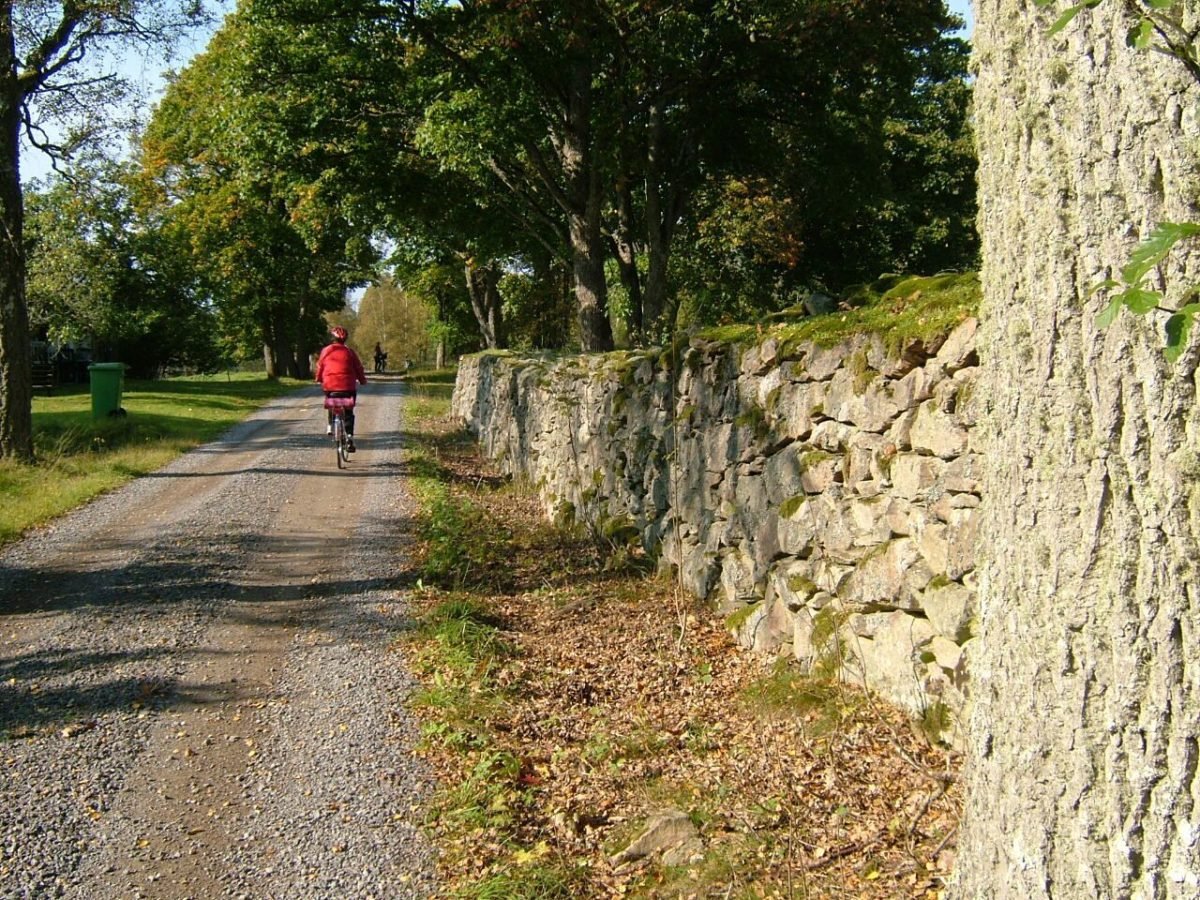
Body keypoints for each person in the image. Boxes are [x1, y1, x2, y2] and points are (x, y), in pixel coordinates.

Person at [315, 326, 367, 451]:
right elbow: (358, 368)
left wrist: (318, 379)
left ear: (332, 338)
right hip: (348, 387)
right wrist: (362, 380)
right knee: (349, 412)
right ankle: (349, 436)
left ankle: (330, 425)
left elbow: (320, 367)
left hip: (330, 386)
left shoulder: (326, 351)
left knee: (331, 399)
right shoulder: (349, 352)